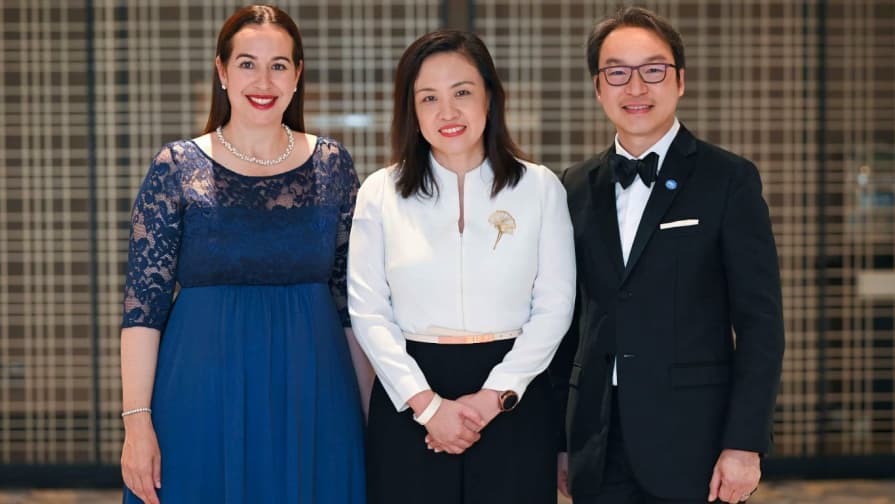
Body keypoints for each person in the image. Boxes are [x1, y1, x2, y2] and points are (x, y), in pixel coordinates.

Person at [119, 5, 370, 503]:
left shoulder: (333, 165)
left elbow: (352, 306)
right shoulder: (176, 167)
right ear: (222, 72)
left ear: (298, 76)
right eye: (247, 63)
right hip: (198, 393)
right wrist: (137, 424)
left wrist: (368, 418)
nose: (264, 79)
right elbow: (142, 310)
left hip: (314, 394)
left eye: (279, 64)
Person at [553, 6, 785, 504]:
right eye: (617, 72)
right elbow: (566, 322)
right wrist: (560, 440)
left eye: (653, 70)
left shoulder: (728, 181)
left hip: (694, 444)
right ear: (598, 87)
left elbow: (761, 323)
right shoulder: (571, 187)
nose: (635, 88)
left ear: (679, 80)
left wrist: (745, 443)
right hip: (597, 438)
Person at [347, 30, 576, 504]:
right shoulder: (380, 192)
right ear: (411, 109)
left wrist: (493, 397)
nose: (446, 112)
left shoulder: (539, 188)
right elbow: (368, 311)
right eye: (428, 97)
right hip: (410, 396)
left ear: (490, 97)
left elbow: (555, 307)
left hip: (514, 395)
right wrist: (427, 407)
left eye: (462, 93)